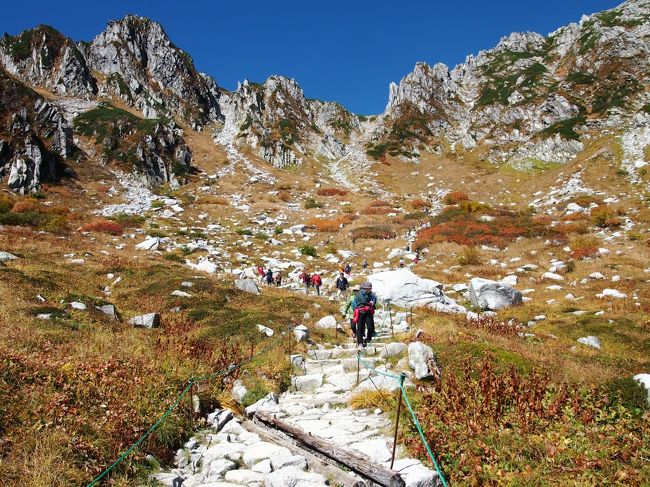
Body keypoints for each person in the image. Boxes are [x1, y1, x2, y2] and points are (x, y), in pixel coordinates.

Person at [352, 281, 377, 347]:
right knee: (360, 327)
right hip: (361, 312)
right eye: (368, 288)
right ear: (364, 288)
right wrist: (370, 303)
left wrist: (373, 302)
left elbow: (374, 298)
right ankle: (360, 342)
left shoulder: (370, 293)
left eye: (370, 288)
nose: (369, 290)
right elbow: (363, 301)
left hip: (368, 311)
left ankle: (368, 339)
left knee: (370, 326)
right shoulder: (360, 293)